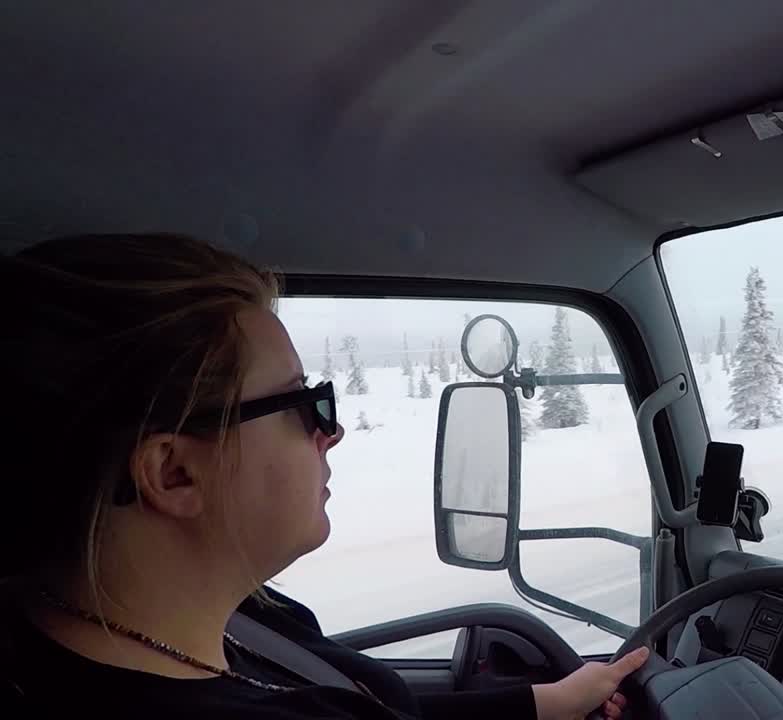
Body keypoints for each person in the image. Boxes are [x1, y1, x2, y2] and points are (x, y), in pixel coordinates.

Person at [0, 234, 648, 719]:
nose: (329, 430)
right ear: (174, 474)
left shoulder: (222, 619)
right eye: (302, 404)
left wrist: (543, 704)